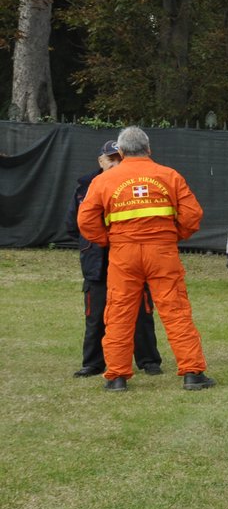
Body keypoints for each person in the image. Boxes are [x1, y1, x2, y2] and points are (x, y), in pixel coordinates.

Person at [76, 126, 216, 392]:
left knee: (119, 312)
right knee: (175, 310)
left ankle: (116, 377)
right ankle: (193, 373)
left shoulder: (104, 180)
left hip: (123, 254)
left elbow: (85, 219)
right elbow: (192, 215)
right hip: (162, 253)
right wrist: (171, 235)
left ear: (120, 151)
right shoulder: (169, 176)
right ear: (149, 149)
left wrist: (108, 240)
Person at [73, 141, 163, 378]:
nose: (115, 164)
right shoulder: (85, 186)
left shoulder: (134, 184)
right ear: (100, 161)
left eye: (118, 159)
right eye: (110, 160)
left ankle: (149, 360)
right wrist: (99, 241)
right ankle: (93, 363)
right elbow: (75, 224)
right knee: (96, 313)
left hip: (130, 257)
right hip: (97, 260)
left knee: (141, 312)